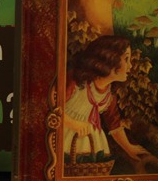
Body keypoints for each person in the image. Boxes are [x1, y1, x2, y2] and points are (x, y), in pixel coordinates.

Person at [64, 35, 149, 163]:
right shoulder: (77, 80)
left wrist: (129, 148)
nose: (130, 66)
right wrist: (73, 124)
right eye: (126, 59)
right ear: (109, 59)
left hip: (92, 142)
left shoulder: (109, 94)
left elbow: (114, 124)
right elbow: (52, 107)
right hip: (66, 135)